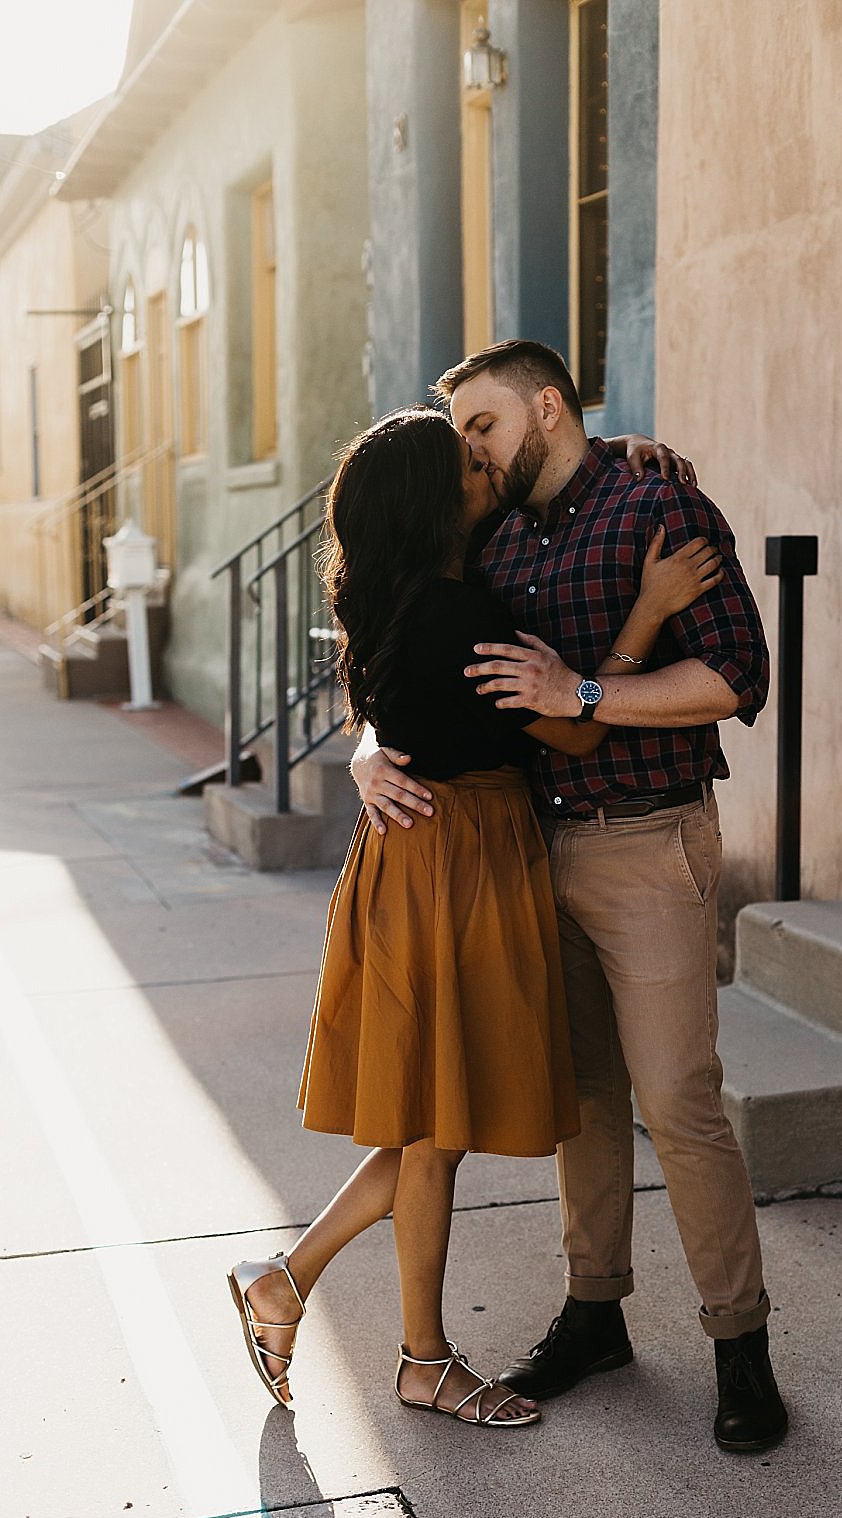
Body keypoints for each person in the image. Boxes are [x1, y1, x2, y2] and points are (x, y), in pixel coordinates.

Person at [227, 405, 723, 1429]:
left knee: (429, 1125)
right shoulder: (458, 616)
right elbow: (575, 736)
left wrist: (620, 443)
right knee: (434, 1127)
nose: (483, 463)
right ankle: (392, 1341)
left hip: (421, 859)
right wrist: (647, 609)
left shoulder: (406, 600)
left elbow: (543, 462)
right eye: (464, 459)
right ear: (432, 500)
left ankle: (340, 1312)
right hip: (458, 861)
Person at [353, 341, 788, 1453]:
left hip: (648, 842)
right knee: (582, 1103)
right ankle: (593, 1313)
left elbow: (738, 677)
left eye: (484, 427)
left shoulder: (657, 505)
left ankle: (738, 1344)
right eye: (462, 440)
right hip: (529, 850)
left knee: (677, 1103)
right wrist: (369, 747)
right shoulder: (486, 534)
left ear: (547, 409)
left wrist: (586, 686)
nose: (474, 452)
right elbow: (415, 644)